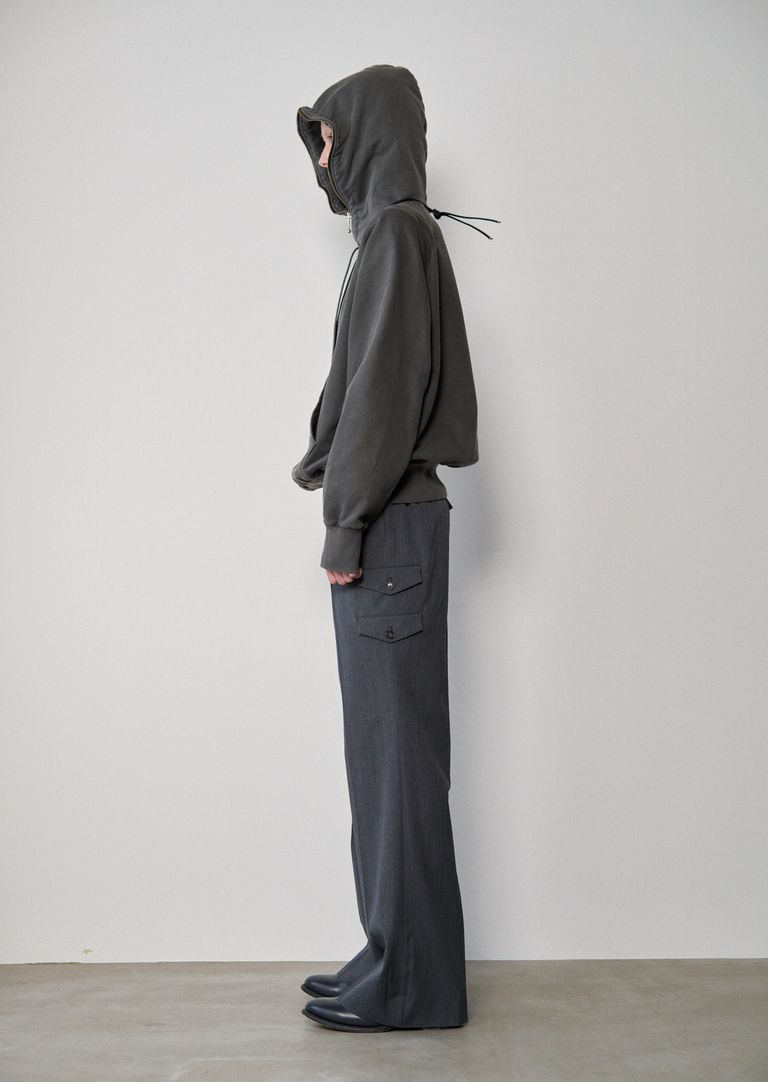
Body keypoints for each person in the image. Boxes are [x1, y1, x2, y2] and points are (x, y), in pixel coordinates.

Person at [291, 63, 496, 1033]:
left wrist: (345, 521)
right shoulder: (390, 235)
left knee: (399, 763)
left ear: (369, 131)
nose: (320, 159)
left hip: (389, 525)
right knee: (383, 760)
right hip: (398, 522)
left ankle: (412, 984)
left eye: (328, 138)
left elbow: (379, 395)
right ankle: (392, 957)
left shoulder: (397, 236)